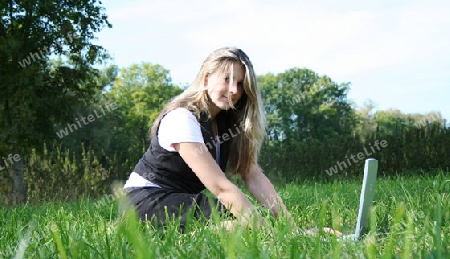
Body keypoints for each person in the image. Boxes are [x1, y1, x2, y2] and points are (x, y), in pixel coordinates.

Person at [122, 46, 339, 235]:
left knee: (245, 217)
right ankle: (183, 240)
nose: (234, 90)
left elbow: (252, 175)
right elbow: (221, 188)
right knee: (242, 222)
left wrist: (290, 228)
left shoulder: (228, 125)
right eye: (227, 80)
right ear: (206, 79)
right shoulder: (182, 118)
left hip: (180, 199)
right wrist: (275, 234)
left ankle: (194, 235)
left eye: (241, 84)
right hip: (144, 200)